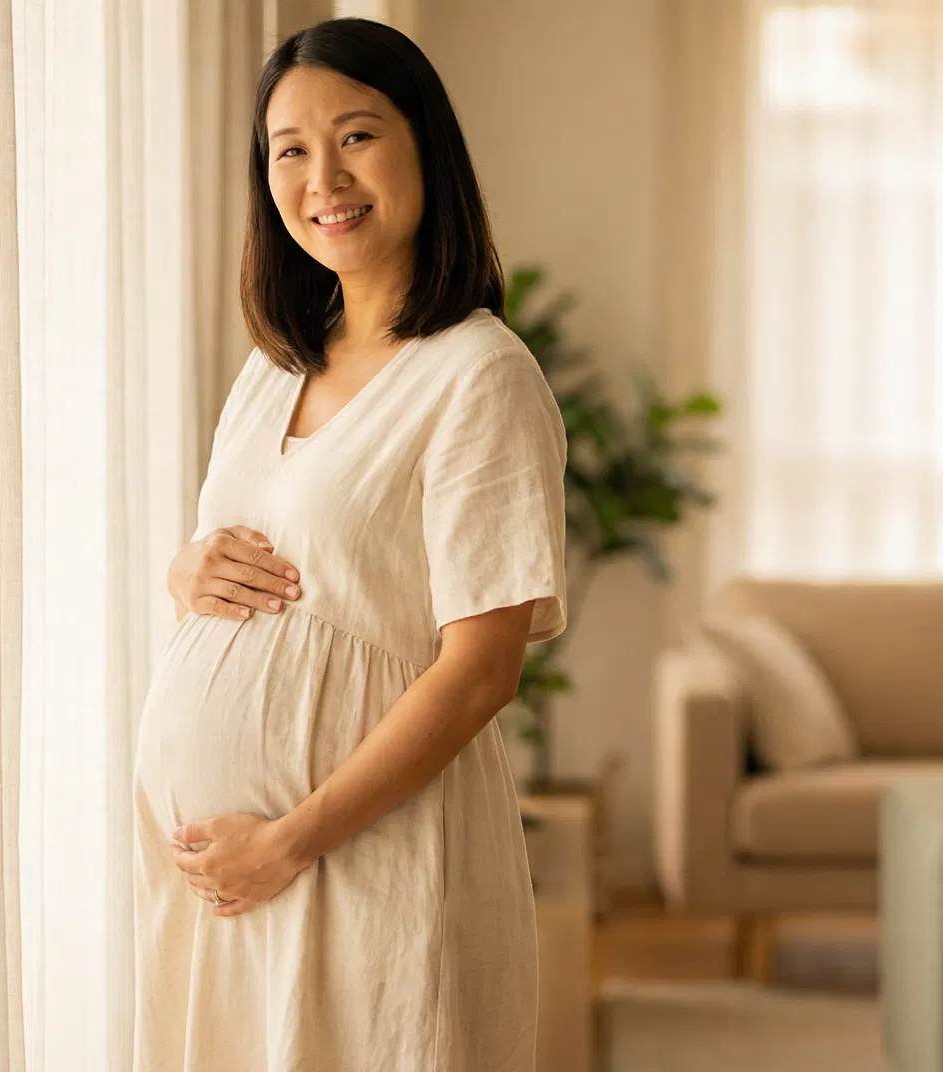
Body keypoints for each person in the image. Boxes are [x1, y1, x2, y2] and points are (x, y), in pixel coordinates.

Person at [131, 18, 567, 1071]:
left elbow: (480, 672)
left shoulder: (479, 373)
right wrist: (184, 571)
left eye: (358, 135)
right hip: (226, 883)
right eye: (290, 148)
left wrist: (288, 839)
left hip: (364, 862)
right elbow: (245, 567)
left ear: (427, 148)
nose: (323, 175)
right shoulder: (275, 364)